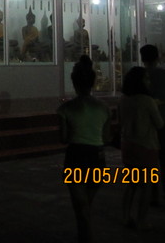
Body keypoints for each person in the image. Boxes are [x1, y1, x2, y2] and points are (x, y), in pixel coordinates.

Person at [57, 55, 111, 243]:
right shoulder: (104, 108)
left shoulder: (65, 108)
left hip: (76, 156)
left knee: (80, 205)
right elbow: (107, 138)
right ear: (93, 83)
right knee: (86, 203)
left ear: (74, 83)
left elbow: (63, 138)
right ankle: (85, 236)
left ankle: (86, 236)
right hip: (96, 156)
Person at [120, 66, 163, 230]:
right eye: (146, 78)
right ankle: (141, 220)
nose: (149, 81)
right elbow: (159, 124)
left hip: (128, 145)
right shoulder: (147, 100)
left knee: (131, 183)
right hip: (146, 146)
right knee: (146, 186)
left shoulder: (123, 99)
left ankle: (125, 217)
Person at [140, 44, 165, 203]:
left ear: (142, 58)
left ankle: (153, 193)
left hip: (146, 123)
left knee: (149, 160)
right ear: (157, 57)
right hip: (164, 120)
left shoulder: (138, 76)